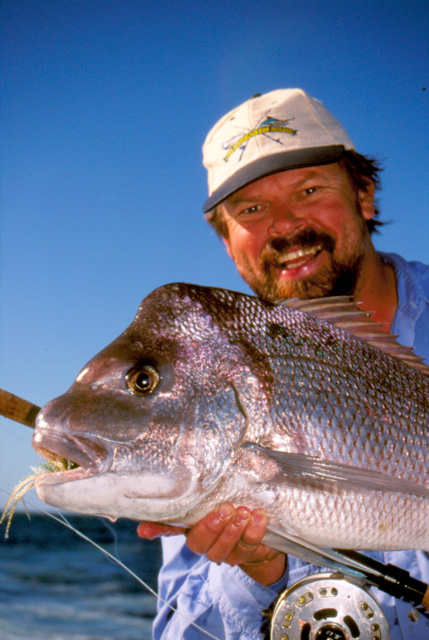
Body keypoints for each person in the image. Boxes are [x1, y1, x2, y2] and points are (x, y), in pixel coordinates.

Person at [137, 89, 429, 639]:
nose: (286, 225)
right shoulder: (208, 391)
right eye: (250, 210)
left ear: (365, 195)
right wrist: (257, 571)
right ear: (228, 243)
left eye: (310, 189)